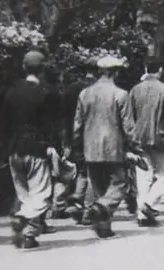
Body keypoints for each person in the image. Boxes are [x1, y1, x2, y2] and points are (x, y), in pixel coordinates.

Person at [73, 55, 143, 238]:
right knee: (120, 183)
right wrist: (135, 146)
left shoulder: (84, 93)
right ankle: (103, 211)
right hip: (113, 148)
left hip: (90, 147)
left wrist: (77, 146)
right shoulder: (120, 94)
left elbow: (77, 124)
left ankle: (104, 227)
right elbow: (128, 126)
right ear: (115, 72)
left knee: (99, 188)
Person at [0, 50, 61, 249]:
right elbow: (50, 124)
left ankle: (29, 235)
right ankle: (25, 222)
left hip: (15, 148)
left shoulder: (11, 91)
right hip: (37, 147)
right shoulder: (46, 92)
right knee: (41, 193)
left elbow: (5, 123)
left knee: (24, 194)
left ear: (24, 67)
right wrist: (53, 147)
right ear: (42, 68)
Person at [129, 58, 164, 227]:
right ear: (160, 71)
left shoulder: (135, 90)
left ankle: (142, 215)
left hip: (138, 138)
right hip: (160, 138)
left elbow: (129, 116)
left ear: (145, 68)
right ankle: (149, 204)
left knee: (144, 176)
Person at [64, 59, 100, 225]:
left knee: (81, 171)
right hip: (94, 137)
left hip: (75, 135)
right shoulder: (95, 91)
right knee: (93, 174)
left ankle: (77, 199)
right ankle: (87, 209)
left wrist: (68, 140)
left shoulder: (71, 89)